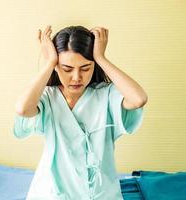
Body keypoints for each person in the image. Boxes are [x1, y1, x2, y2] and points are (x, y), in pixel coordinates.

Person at [13, 25, 148, 200]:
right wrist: (49, 62)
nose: (76, 77)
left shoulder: (106, 94)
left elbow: (138, 99)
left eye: (85, 68)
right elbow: (23, 109)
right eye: (67, 69)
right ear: (56, 66)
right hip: (53, 192)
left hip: (101, 193)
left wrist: (101, 57)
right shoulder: (48, 97)